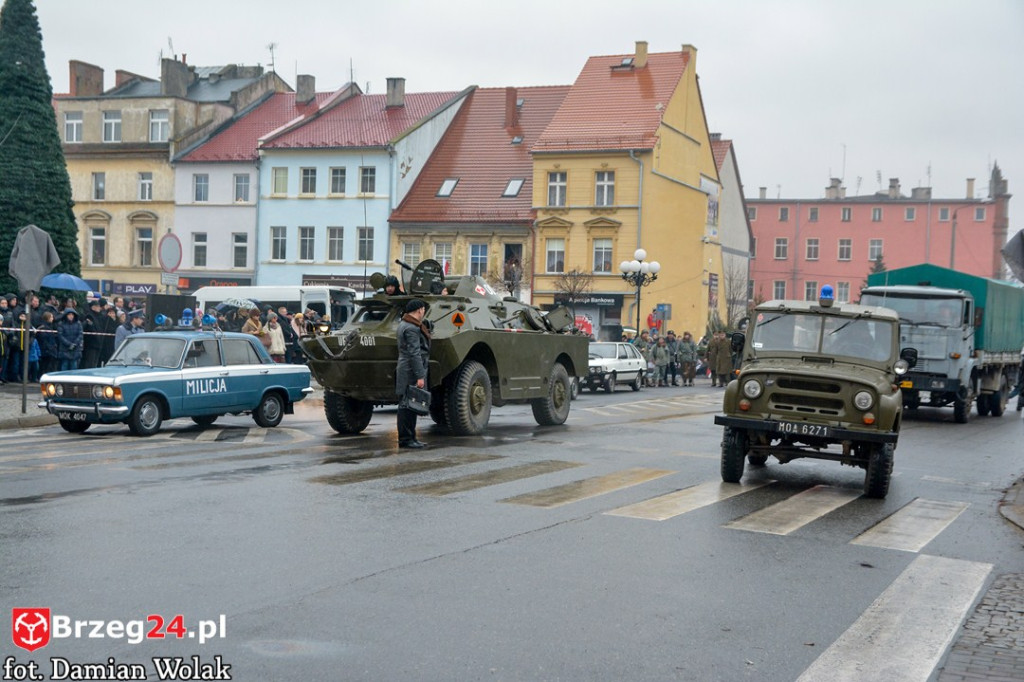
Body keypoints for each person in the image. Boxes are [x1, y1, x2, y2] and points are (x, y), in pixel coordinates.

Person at [395, 299, 431, 449]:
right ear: (419, 310)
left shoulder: (404, 324)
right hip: (410, 369)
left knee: (408, 404)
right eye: (423, 310)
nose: (423, 312)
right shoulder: (412, 328)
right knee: (408, 405)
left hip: (405, 367)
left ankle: (410, 437)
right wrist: (420, 375)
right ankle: (406, 439)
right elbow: (414, 353)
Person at [37, 310, 59, 376]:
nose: (52, 319)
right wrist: (49, 347)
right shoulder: (44, 327)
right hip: (46, 350)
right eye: (51, 317)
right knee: (45, 366)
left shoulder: (50, 326)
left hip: (49, 349)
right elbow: (44, 339)